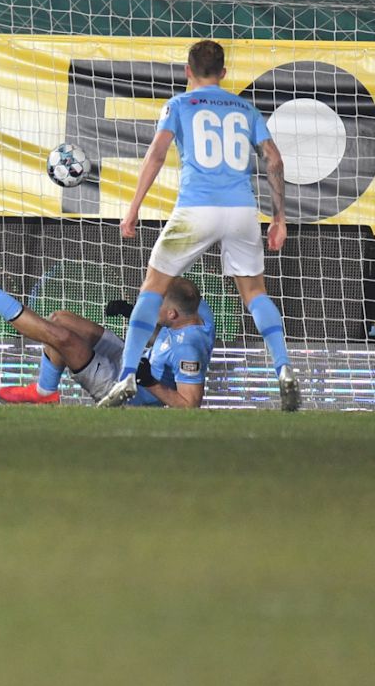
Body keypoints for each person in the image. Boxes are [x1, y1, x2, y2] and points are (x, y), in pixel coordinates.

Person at [98, 39, 299, 410]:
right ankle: (283, 367)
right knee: (255, 294)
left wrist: (133, 209)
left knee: (152, 290)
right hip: (241, 210)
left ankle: (127, 374)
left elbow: (156, 155)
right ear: (223, 73)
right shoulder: (246, 108)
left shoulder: (178, 104)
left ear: (188, 71)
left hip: (196, 209)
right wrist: (279, 217)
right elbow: (273, 160)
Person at [0, 245, 213, 407]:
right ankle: (45, 391)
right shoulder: (196, 309)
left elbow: (190, 405)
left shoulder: (189, 349)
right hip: (133, 362)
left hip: (129, 391)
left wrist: (151, 382)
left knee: (61, 337)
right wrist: (130, 311)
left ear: (171, 313)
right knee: (61, 319)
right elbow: (168, 337)